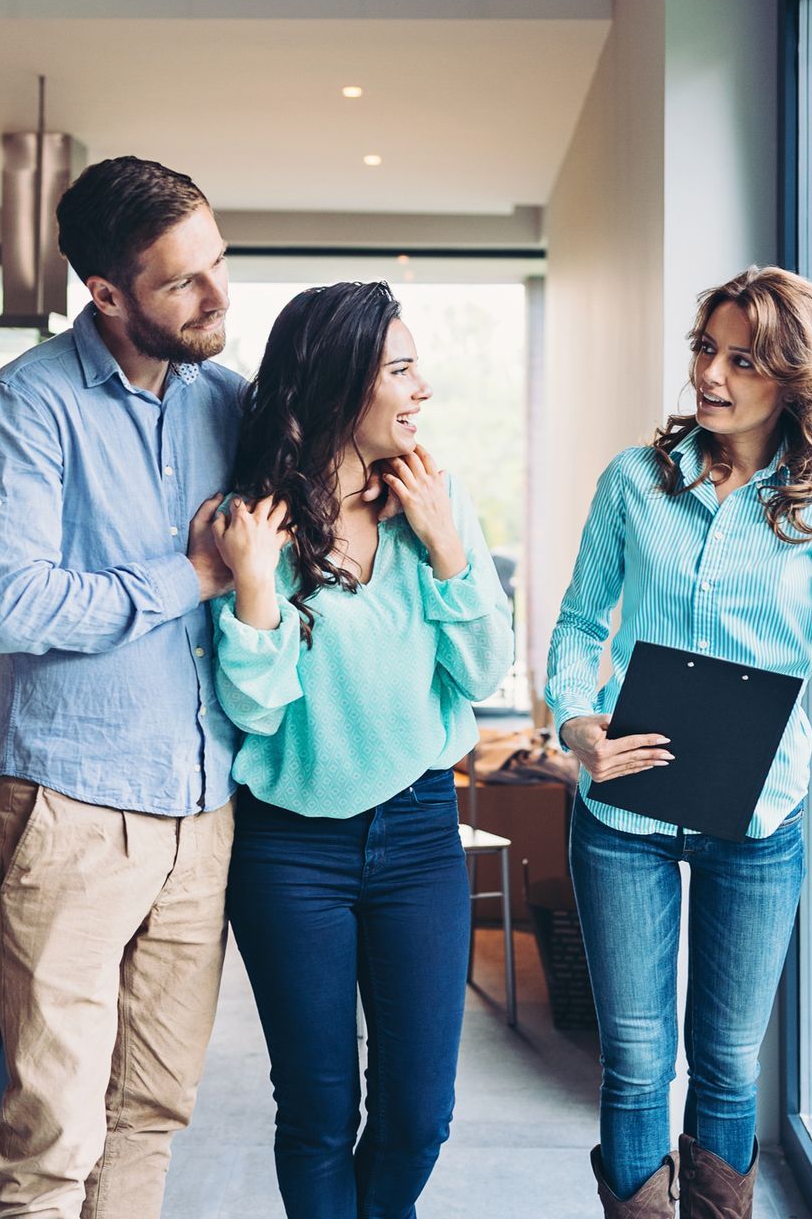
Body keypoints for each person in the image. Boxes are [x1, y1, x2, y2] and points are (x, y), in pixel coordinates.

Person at [546, 267, 812, 1218]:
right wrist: (576, 726)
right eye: (705, 350)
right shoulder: (634, 481)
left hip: (758, 816)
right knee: (639, 1061)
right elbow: (576, 627)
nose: (712, 375)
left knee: (727, 1064)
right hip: (624, 807)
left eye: (742, 359)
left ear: (793, 379)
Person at [0, 155, 244, 1219]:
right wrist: (193, 575)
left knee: (153, 1111)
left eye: (219, 263)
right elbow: (10, 607)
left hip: (203, 808)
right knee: (50, 1140)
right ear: (107, 292)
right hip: (75, 805)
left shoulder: (228, 399)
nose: (217, 298)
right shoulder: (28, 406)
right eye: (183, 282)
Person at [210, 281, 514, 1219]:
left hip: (420, 831)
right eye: (401, 368)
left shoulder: (435, 497)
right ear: (342, 385)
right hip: (287, 849)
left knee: (421, 1113)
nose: (422, 388)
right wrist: (256, 587)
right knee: (316, 1110)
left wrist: (449, 547)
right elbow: (254, 712)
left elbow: (485, 667)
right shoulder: (251, 520)